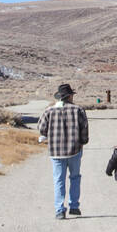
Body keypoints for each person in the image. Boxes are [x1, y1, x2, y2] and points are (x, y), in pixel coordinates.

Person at [37, 83, 89, 219]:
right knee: (75, 177)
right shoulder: (78, 110)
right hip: (74, 150)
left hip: (56, 151)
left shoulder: (49, 111)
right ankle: (74, 206)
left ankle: (60, 210)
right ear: (70, 96)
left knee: (59, 180)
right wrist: (83, 142)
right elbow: (84, 130)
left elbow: (41, 128)